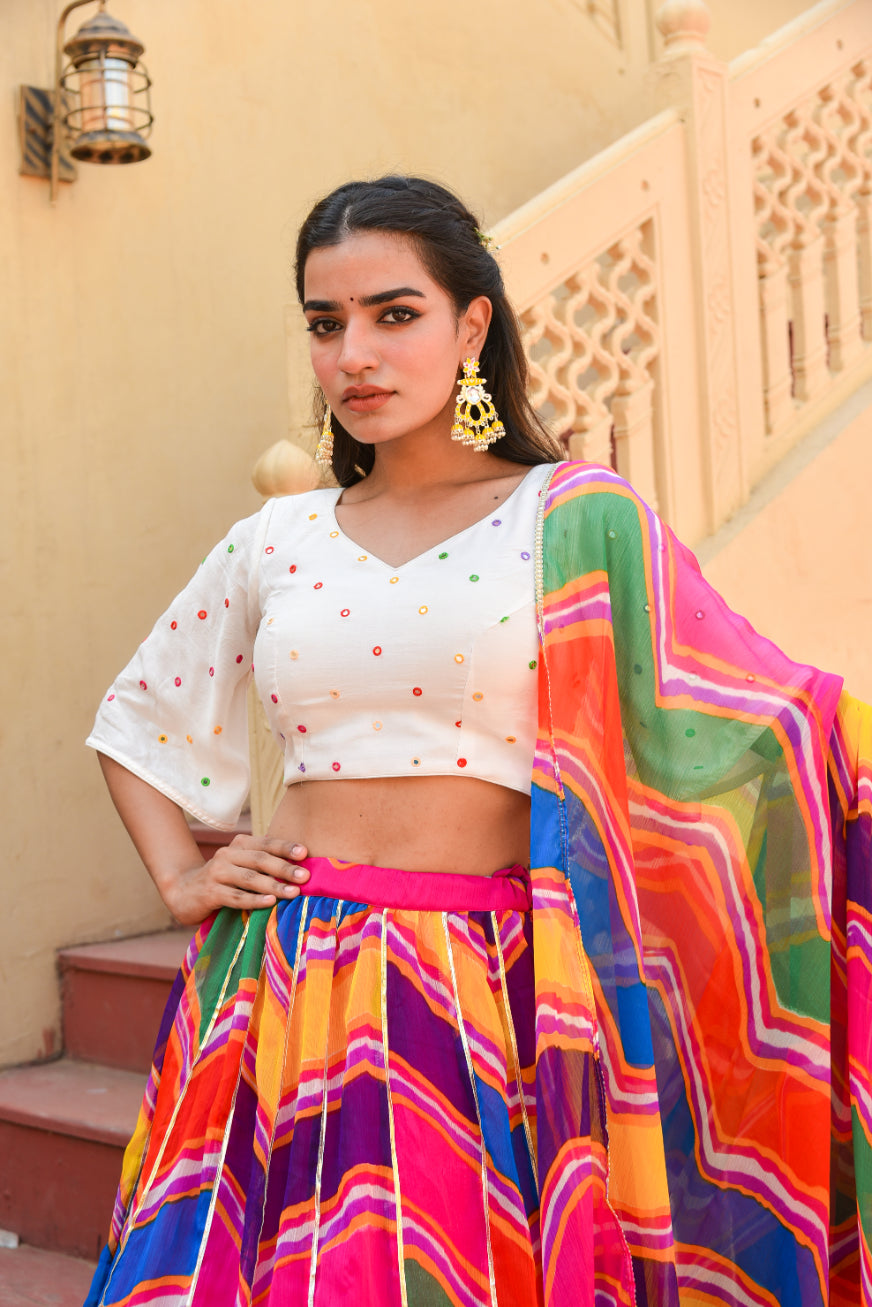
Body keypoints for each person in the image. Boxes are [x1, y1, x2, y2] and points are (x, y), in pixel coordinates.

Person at [83, 177, 871, 1307]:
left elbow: (752, 720)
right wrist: (178, 872)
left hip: (482, 988)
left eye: (392, 313)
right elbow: (137, 718)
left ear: (471, 326)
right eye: (324, 322)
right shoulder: (280, 537)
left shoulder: (570, 516)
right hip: (274, 980)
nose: (354, 351)